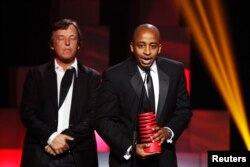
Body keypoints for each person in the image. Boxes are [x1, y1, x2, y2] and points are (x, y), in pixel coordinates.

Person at [94, 23, 192, 167]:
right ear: (132, 47)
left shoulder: (175, 71)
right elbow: (103, 120)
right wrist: (131, 148)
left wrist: (168, 131)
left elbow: (184, 110)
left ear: (159, 48)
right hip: (128, 162)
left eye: (152, 46)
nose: (147, 51)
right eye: (141, 45)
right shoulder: (114, 76)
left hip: (163, 160)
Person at [20, 18, 100, 167]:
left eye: (72, 38)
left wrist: (64, 139)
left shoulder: (93, 78)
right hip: (42, 152)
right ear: (52, 45)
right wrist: (51, 137)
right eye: (61, 38)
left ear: (79, 45)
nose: (67, 43)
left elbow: (93, 116)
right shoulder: (37, 74)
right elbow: (27, 113)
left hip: (78, 156)